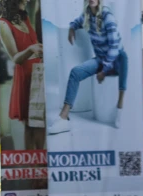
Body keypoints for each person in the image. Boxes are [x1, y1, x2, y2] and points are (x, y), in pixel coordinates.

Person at [48, 0, 128, 135]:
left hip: (116, 59)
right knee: (75, 72)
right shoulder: (87, 14)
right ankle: (63, 118)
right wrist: (72, 28)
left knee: (124, 62)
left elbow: (114, 47)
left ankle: (120, 108)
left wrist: (105, 69)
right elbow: (77, 21)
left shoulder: (107, 16)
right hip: (100, 59)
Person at [0, 0, 44, 150]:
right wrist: (31, 49)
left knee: (39, 122)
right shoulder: (3, 24)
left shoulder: (25, 17)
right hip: (25, 74)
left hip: (38, 71)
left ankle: (39, 160)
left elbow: (35, 42)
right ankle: (33, 161)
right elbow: (15, 58)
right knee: (31, 123)